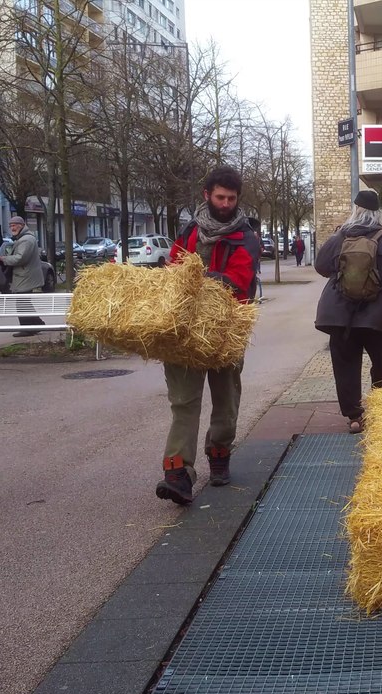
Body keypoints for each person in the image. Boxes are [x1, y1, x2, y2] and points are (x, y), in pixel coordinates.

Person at [155, 166, 256, 505]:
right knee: (184, 402)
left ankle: (219, 454)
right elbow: (173, 270)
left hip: (226, 331)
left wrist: (199, 281)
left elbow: (238, 282)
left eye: (231, 198)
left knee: (226, 401)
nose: (226, 203)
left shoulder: (246, 238)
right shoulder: (189, 232)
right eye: (220, 197)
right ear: (206, 195)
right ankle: (177, 472)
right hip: (184, 332)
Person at [314, 190, 382, 434]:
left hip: (340, 313)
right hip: (375, 315)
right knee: (379, 360)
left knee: (345, 364)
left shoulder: (341, 235)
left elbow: (320, 265)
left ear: (355, 209)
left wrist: (340, 273)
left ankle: (354, 417)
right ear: (378, 212)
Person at [0, 216, 45, 338]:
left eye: (14, 225)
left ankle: (27, 328)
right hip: (24, 275)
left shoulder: (26, 240)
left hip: (25, 275)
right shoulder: (23, 238)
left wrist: (5, 259)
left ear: (21, 225)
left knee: (21, 302)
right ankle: (38, 323)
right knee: (25, 301)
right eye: (10, 226)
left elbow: (21, 258)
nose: (12, 228)